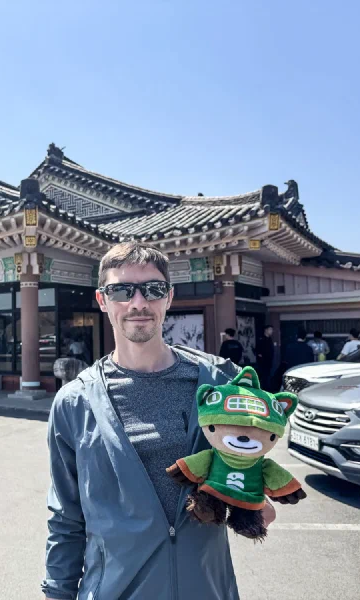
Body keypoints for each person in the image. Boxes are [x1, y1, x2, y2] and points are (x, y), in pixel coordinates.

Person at [42, 242, 275, 600]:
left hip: (207, 588)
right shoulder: (74, 403)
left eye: (152, 289)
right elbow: (66, 519)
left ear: (168, 297)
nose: (138, 303)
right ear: (103, 301)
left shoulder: (218, 383)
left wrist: (252, 499)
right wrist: (57, 594)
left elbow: (245, 462)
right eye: (121, 290)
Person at [255, 325, 276, 391]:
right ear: (266, 330)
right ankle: (263, 388)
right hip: (263, 362)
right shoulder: (261, 339)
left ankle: (267, 388)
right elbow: (257, 350)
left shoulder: (270, 339)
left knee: (268, 376)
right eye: (270, 330)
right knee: (263, 376)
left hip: (269, 361)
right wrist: (260, 356)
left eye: (272, 330)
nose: (271, 331)